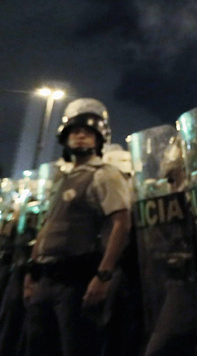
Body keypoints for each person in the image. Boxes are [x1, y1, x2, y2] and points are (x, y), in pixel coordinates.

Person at [22, 98, 133, 356]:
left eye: (88, 132)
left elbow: (121, 223)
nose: (80, 136)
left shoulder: (104, 174)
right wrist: (31, 273)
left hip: (76, 283)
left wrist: (104, 275)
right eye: (75, 131)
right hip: (44, 281)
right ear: (65, 138)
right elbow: (47, 228)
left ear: (99, 139)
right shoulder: (63, 178)